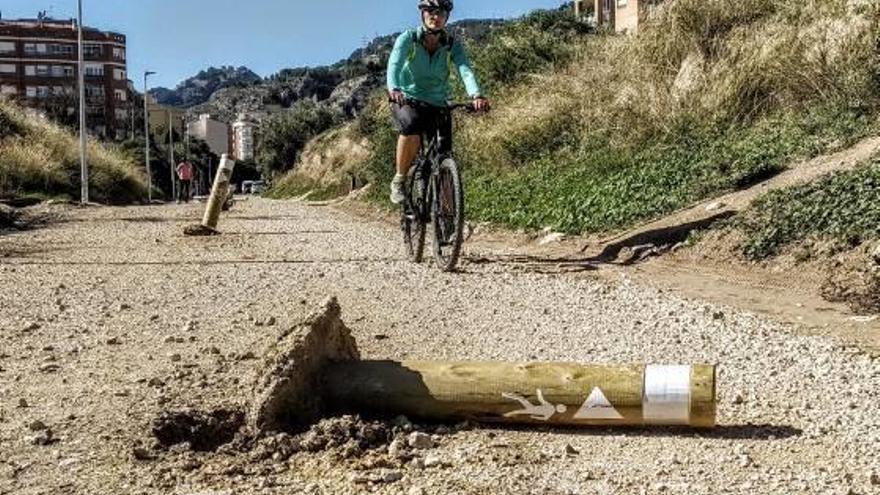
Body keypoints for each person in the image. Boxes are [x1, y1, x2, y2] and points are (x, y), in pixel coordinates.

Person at [386, 0, 490, 204]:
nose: (436, 16)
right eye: (430, 11)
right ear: (422, 14)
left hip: (438, 101)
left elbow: (464, 69)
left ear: (447, 17)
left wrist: (476, 95)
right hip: (408, 98)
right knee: (411, 126)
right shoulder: (409, 39)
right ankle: (399, 179)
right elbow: (394, 65)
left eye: (441, 12)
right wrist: (394, 89)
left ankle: (448, 214)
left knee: (445, 153)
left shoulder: (451, 44)